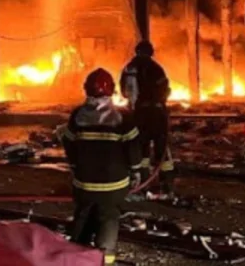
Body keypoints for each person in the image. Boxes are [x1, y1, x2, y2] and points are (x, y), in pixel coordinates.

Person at [58, 68, 141, 265]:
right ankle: (105, 259)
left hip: (84, 184)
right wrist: (137, 170)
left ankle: (78, 257)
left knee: (82, 221)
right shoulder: (123, 117)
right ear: (112, 91)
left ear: (86, 90)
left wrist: (75, 165)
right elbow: (134, 149)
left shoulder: (77, 115)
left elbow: (69, 143)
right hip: (114, 186)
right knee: (109, 222)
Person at [120, 40, 175, 198]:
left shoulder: (128, 68)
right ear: (151, 52)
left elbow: (124, 91)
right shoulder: (156, 69)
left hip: (138, 113)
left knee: (141, 147)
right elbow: (164, 89)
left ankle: (143, 183)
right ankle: (166, 185)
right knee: (162, 149)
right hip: (156, 113)